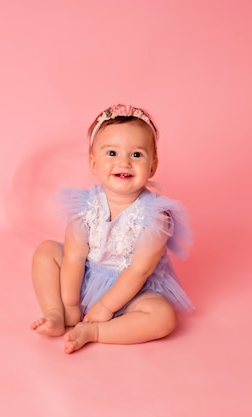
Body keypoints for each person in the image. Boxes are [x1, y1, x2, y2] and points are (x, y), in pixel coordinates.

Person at [30, 104, 193, 354]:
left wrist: (105, 307)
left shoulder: (155, 216)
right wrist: (71, 303)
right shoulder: (84, 205)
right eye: (112, 153)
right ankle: (55, 313)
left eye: (136, 155)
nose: (124, 162)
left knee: (163, 316)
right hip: (83, 278)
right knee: (46, 251)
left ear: (152, 166)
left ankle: (95, 332)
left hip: (132, 291)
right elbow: (74, 256)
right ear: (94, 164)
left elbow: (139, 270)